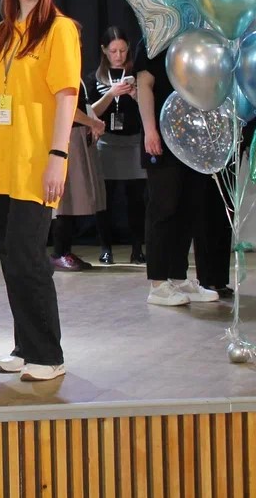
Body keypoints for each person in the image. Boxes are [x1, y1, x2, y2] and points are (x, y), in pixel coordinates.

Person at [0, 0, 80, 382]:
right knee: (9, 256)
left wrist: (58, 155)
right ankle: (25, 345)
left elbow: (67, 97)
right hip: (1, 163)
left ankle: (48, 354)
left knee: (27, 255)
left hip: (37, 161)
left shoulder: (59, 29)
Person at [135, 48, 230, 307]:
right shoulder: (154, 41)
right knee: (163, 208)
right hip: (162, 139)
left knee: (188, 209)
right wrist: (150, 130)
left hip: (193, 140)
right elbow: (144, 84)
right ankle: (158, 283)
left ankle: (178, 277)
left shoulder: (198, 42)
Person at [88, 26, 146, 265]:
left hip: (133, 142)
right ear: (104, 50)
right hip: (106, 144)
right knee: (106, 200)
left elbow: (149, 107)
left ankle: (137, 249)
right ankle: (105, 248)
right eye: (113, 51)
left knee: (136, 200)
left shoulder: (137, 74)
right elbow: (91, 112)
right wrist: (111, 94)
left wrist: (135, 94)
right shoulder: (95, 78)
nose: (119, 56)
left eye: (122, 50)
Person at [50, 82, 107, 271]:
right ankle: (59, 253)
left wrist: (93, 122)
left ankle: (65, 251)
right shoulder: (62, 75)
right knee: (64, 200)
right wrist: (93, 123)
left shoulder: (76, 76)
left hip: (77, 136)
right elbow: (68, 109)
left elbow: (83, 105)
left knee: (72, 199)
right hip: (68, 137)